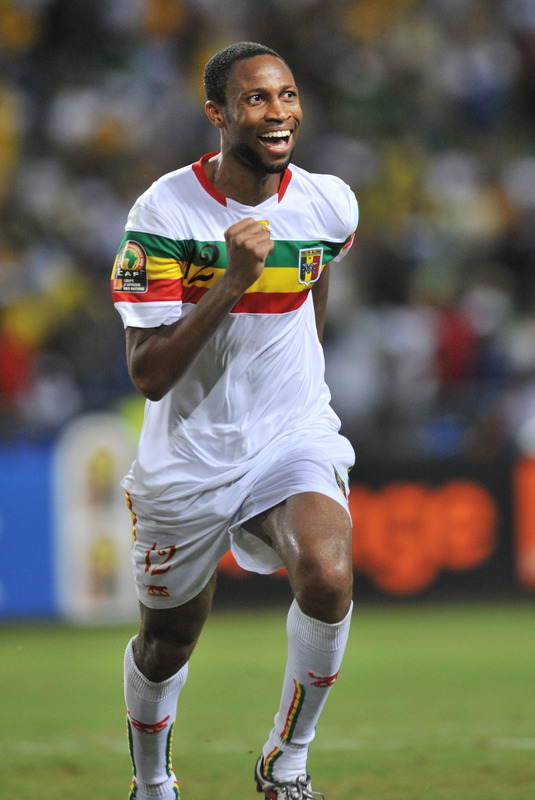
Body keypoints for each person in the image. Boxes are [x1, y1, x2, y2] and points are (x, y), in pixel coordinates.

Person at [111, 41, 359, 800]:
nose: (277, 111)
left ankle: (288, 761)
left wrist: (299, 376)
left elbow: (314, 282)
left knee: (325, 571)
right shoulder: (162, 214)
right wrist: (230, 282)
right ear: (218, 115)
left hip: (290, 434)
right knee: (166, 642)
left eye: (285, 94)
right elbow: (149, 374)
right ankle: (152, 784)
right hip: (188, 455)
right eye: (255, 99)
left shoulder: (328, 203)